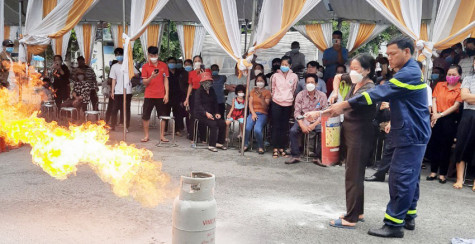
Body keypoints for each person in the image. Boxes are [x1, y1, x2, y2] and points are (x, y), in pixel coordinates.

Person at [307, 36, 430, 238]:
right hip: (409, 131)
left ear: (407, 52)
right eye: (387, 54)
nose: (388, 58)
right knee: (410, 177)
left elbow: (375, 94)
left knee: (400, 178)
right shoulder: (407, 71)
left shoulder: (407, 74)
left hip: (411, 133)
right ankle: (408, 216)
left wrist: (338, 107)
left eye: (392, 54)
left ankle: (393, 224)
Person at [322, 54, 376, 229]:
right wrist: (335, 92)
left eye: (357, 68)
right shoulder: (356, 81)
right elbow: (338, 77)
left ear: (367, 70)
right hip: (352, 134)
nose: (352, 72)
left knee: (353, 176)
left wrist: (317, 114)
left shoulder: (368, 89)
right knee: (355, 175)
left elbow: (343, 107)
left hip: (360, 136)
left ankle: (350, 218)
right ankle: (357, 212)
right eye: (351, 68)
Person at [426, 64, 462, 184]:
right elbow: (434, 99)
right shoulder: (440, 85)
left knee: (446, 147)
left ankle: (442, 174)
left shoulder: (460, 88)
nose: (451, 76)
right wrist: (435, 114)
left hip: (449, 118)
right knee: (434, 144)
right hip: (436, 116)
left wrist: (440, 115)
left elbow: (456, 106)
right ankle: (433, 171)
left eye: (454, 75)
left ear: (459, 76)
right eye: (449, 74)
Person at [285, 73, 327, 165]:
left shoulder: (322, 96)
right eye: (308, 82)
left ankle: (318, 157)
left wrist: (313, 125)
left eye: (312, 82)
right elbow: (297, 112)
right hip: (302, 119)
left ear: (316, 84)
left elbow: (324, 113)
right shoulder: (300, 95)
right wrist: (302, 125)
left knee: (323, 132)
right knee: (293, 131)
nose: (310, 84)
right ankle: (295, 155)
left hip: (316, 121)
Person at [453, 58, 475, 191]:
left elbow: (469, 96)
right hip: (468, 115)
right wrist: (469, 97)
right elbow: (464, 97)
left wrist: (471, 96)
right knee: (462, 145)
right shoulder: (468, 78)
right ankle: (459, 179)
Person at [270, 55, 298, 158]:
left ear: (290, 65)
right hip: (276, 102)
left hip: (288, 103)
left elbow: (294, 90)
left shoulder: (294, 76)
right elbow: (272, 89)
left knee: (284, 126)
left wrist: (289, 98)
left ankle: (282, 147)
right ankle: (275, 148)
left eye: (286, 64)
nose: (284, 66)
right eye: (282, 64)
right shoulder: (275, 76)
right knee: (276, 125)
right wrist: (276, 98)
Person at [141, 46, 169, 143]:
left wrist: (167, 94)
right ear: (148, 55)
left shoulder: (163, 65)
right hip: (149, 95)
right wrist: (151, 77)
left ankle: (162, 135)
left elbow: (166, 79)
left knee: (162, 116)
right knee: (146, 116)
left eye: (155, 55)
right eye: (152, 55)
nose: (154, 57)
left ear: (158, 55)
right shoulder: (145, 66)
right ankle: (146, 135)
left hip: (161, 95)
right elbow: (144, 82)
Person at [194, 72, 227, 152]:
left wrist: (217, 113)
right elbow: (198, 105)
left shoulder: (212, 90)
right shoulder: (198, 91)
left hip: (211, 113)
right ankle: (211, 145)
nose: (207, 83)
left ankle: (219, 142)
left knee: (222, 123)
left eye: (209, 81)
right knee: (213, 124)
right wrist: (206, 113)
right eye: (205, 82)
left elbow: (215, 103)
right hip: (201, 114)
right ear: (202, 83)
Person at [183, 55, 210, 141]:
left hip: (204, 93)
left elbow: (208, 83)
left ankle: (203, 137)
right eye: (195, 61)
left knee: (203, 114)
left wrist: (202, 72)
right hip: (194, 94)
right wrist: (187, 98)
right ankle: (193, 136)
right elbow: (190, 85)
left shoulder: (207, 71)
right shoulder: (191, 73)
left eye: (199, 60)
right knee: (194, 115)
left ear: (202, 62)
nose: (197, 62)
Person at [243, 74, 271, 154]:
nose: (259, 82)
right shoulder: (252, 91)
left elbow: (266, 106)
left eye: (261, 81)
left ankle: (261, 146)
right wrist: (253, 113)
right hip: (253, 113)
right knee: (247, 127)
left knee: (257, 129)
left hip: (262, 114)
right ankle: (245, 144)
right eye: (258, 81)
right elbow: (250, 103)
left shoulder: (267, 92)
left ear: (264, 82)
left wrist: (261, 97)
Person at [109, 48, 135, 132]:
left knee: (126, 109)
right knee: (114, 109)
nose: (119, 56)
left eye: (120, 54)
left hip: (127, 91)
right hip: (118, 91)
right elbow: (113, 79)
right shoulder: (114, 66)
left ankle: (126, 126)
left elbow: (136, 74)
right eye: (117, 55)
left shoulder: (129, 65)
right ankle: (112, 125)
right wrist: (112, 91)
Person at [166, 57, 186, 135]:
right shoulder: (166, 72)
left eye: (174, 62)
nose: (172, 64)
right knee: (166, 113)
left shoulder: (179, 72)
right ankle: (165, 129)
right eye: (170, 62)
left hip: (178, 95)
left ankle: (177, 130)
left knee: (178, 114)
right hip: (168, 95)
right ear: (167, 63)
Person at [104, 60, 119, 125]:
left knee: (113, 108)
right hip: (113, 91)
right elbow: (109, 82)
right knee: (111, 108)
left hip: (117, 91)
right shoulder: (112, 72)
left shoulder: (115, 71)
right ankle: (108, 122)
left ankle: (112, 122)